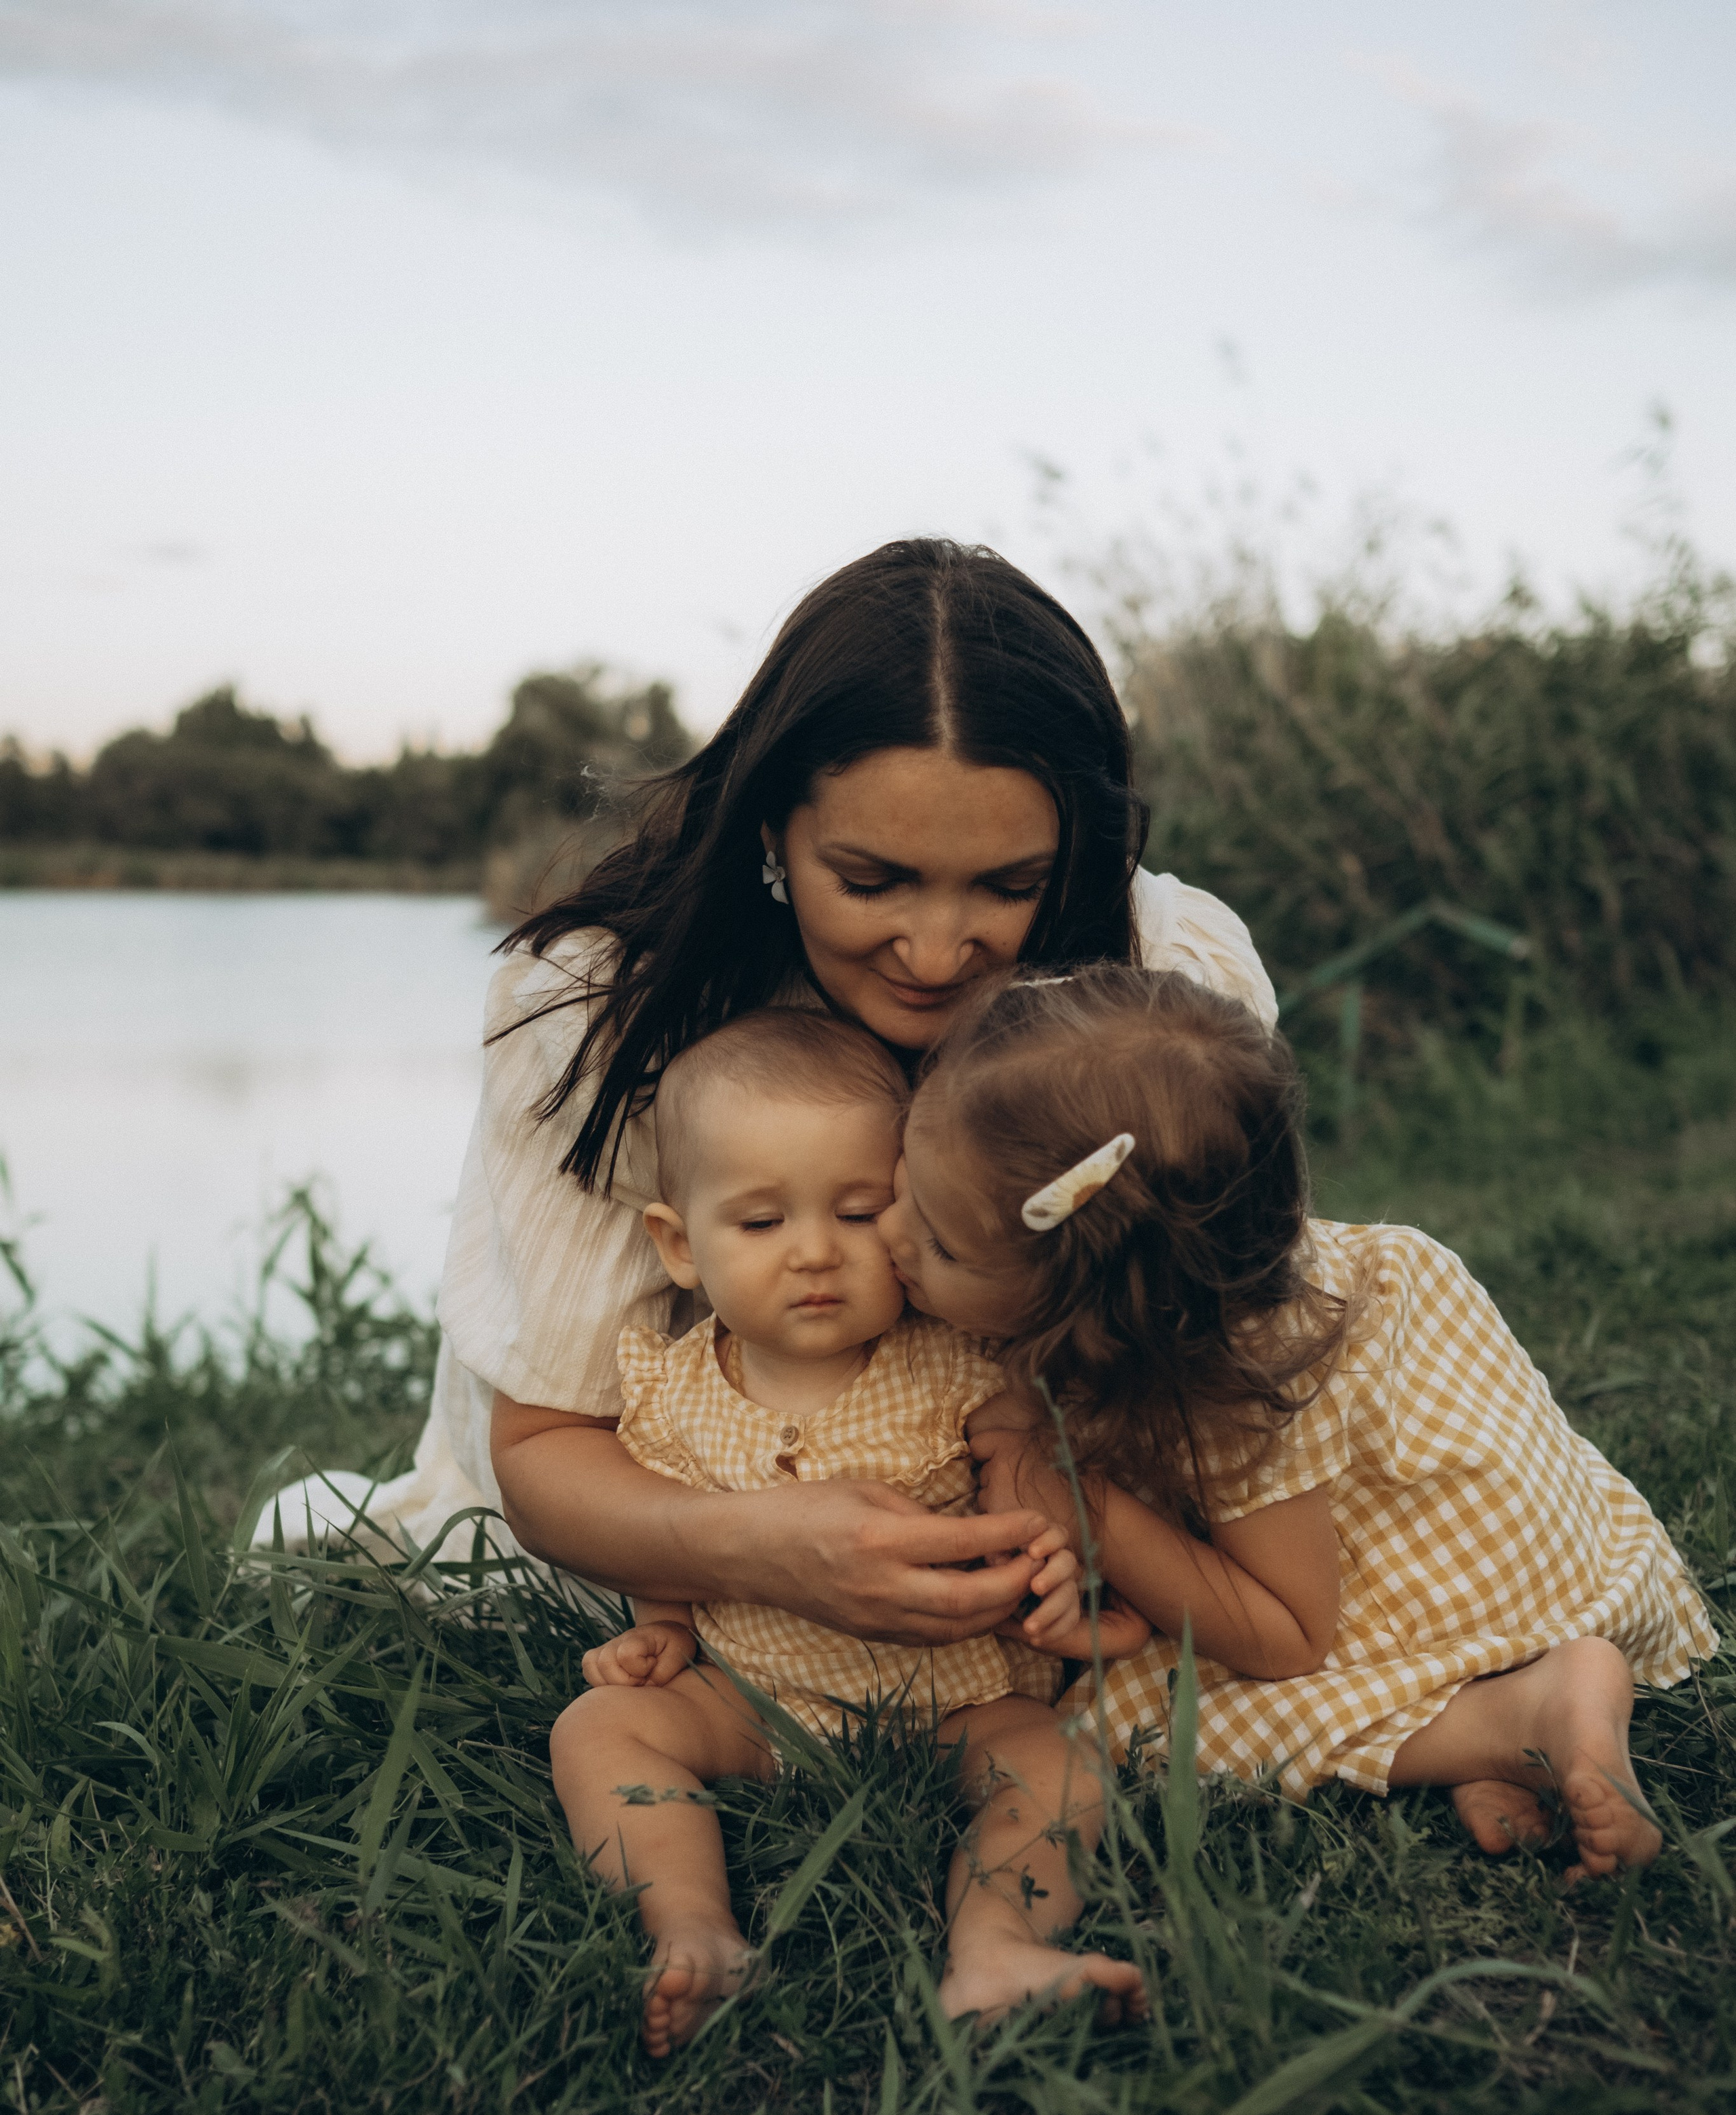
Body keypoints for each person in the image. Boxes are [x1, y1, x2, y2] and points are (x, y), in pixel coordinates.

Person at [262, 539, 1278, 1661]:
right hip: (654, 1536)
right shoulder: (603, 1011)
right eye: (872, 880)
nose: (938, 954)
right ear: (770, 834)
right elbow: (550, 1449)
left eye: (1010, 886)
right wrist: (759, 1547)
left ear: (1074, 859)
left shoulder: (1166, 976)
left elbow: (1209, 1360)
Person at [878, 964, 1716, 1884]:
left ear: (1089, 1297)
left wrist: (1091, 1509)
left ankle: (1519, 1715)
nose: (888, 1232)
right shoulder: (1210, 1281)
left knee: (1140, 1728)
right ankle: (1484, 1751)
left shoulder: (1232, 1392)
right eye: (902, 1187)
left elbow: (1286, 1635)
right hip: (1511, 1526)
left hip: (1424, 1582)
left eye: (942, 1240)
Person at [548, 1005, 1147, 2054]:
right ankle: (693, 1926)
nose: (816, 1254)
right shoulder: (670, 1389)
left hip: (958, 1698)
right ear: (679, 1245)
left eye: (861, 1212)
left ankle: (998, 1947)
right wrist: (666, 1629)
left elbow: (1038, 1501)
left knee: (1062, 1767)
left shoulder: (961, 1364)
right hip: (750, 1698)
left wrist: (1058, 1575)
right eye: (762, 1223)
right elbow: (665, 1521)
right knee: (596, 1730)